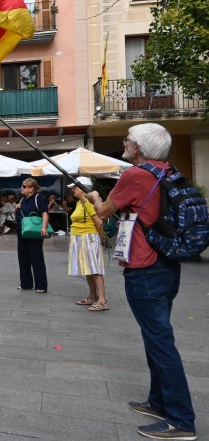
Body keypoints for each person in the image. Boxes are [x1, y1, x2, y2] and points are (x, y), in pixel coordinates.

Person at [86, 123, 196, 440]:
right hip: (164, 265)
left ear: (138, 147)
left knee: (161, 344)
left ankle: (181, 420)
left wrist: (94, 197)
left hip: (144, 269)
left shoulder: (135, 175)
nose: (125, 143)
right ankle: (159, 402)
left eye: (128, 140)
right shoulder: (166, 171)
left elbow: (104, 212)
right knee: (155, 339)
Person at [65, 176, 108, 311]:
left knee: (95, 269)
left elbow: (99, 222)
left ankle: (102, 300)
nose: (73, 190)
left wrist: (101, 239)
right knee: (88, 269)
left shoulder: (88, 202)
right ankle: (93, 296)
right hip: (80, 237)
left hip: (88, 237)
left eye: (75, 188)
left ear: (83, 188)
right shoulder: (80, 203)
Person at [16, 178, 49, 293]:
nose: (22, 188)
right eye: (22, 186)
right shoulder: (22, 200)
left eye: (24, 186)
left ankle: (41, 285)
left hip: (34, 233)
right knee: (23, 258)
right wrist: (17, 207)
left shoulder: (38, 198)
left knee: (36, 258)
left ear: (31, 189)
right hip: (22, 232)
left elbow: (45, 213)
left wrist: (44, 227)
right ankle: (26, 284)